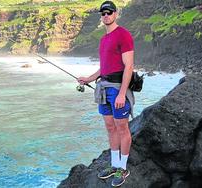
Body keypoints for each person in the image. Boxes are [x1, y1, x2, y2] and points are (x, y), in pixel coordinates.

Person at [78, 1, 135, 187]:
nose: (106, 16)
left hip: (117, 89)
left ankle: (122, 169)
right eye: (103, 13)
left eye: (109, 12)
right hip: (103, 88)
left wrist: (121, 94)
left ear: (115, 14)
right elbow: (104, 68)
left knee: (122, 128)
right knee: (110, 127)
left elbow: (129, 66)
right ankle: (114, 165)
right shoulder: (104, 39)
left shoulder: (123, 35)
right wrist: (88, 78)